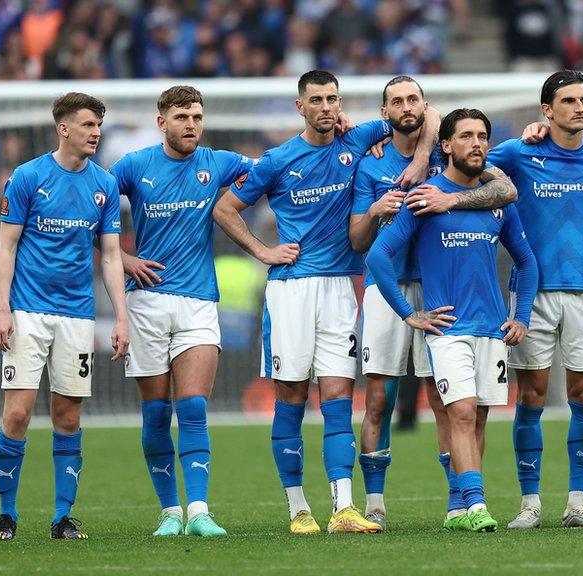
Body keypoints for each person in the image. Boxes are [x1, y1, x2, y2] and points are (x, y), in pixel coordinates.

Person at [212, 70, 437, 535]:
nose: (326, 107)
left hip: (341, 288)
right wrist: (262, 250)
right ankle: (297, 509)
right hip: (290, 289)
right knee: (291, 397)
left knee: (337, 398)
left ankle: (344, 509)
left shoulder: (357, 140)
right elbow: (224, 208)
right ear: (301, 107)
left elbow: (428, 114)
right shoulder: (276, 160)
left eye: (333, 99)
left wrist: (417, 162)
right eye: (316, 100)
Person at [348, 75, 516, 530]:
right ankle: (375, 503)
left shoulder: (450, 156)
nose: (407, 106)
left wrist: (425, 158)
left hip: (438, 290)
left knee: (446, 402)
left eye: (414, 99)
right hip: (389, 291)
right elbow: (360, 241)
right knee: (380, 397)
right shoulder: (370, 163)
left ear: (426, 107)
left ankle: (459, 501)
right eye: (397, 101)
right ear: (385, 112)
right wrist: (377, 211)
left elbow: (505, 192)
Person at [110, 85, 255, 537]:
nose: (190, 124)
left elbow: (279, 168)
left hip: (197, 302)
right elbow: (89, 205)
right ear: (161, 123)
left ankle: (198, 511)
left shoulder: (220, 163)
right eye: (180, 117)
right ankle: (169, 511)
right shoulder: (134, 166)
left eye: (196, 116)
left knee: (193, 408)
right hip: (145, 302)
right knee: (156, 414)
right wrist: (123, 259)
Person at [0, 92, 129, 541]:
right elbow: (6, 247)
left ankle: (62, 518)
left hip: (77, 316)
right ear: (64, 129)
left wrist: (121, 318)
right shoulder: (28, 177)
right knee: (18, 414)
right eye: (88, 125)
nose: (96, 133)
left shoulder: (104, 184)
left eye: (99, 126)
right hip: (27, 311)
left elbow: (110, 257)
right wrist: (2, 310)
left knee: (68, 417)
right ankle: (6, 516)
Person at [486, 70, 583, 529]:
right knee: (533, 395)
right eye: (568, 101)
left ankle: (578, 503)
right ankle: (530, 504)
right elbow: (465, 158)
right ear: (547, 110)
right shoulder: (519, 153)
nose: (580, 107)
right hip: (532, 295)